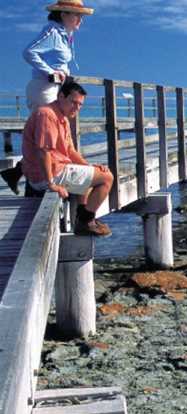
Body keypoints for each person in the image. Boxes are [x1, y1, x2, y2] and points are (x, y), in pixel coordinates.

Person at [3, 0, 94, 194]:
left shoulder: (64, 35)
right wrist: (50, 72)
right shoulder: (53, 32)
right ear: (63, 15)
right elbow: (29, 52)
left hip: (53, 88)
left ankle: (17, 174)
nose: (80, 20)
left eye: (81, 16)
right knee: (45, 139)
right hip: (44, 88)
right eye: (76, 15)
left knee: (48, 137)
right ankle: (41, 183)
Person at [21, 80, 113, 237]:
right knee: (107, 178)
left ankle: (82, 217)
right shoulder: (47, 114)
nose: (76, 108)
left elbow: (69, 150)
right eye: (73, 102)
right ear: (61, 96)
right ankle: (85, 221)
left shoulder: (62, 117)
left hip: (54, 169)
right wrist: (51, 184)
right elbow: (44, 151)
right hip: (46, 175)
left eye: (80, 105)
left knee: (93, 175)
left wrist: (89, 166)